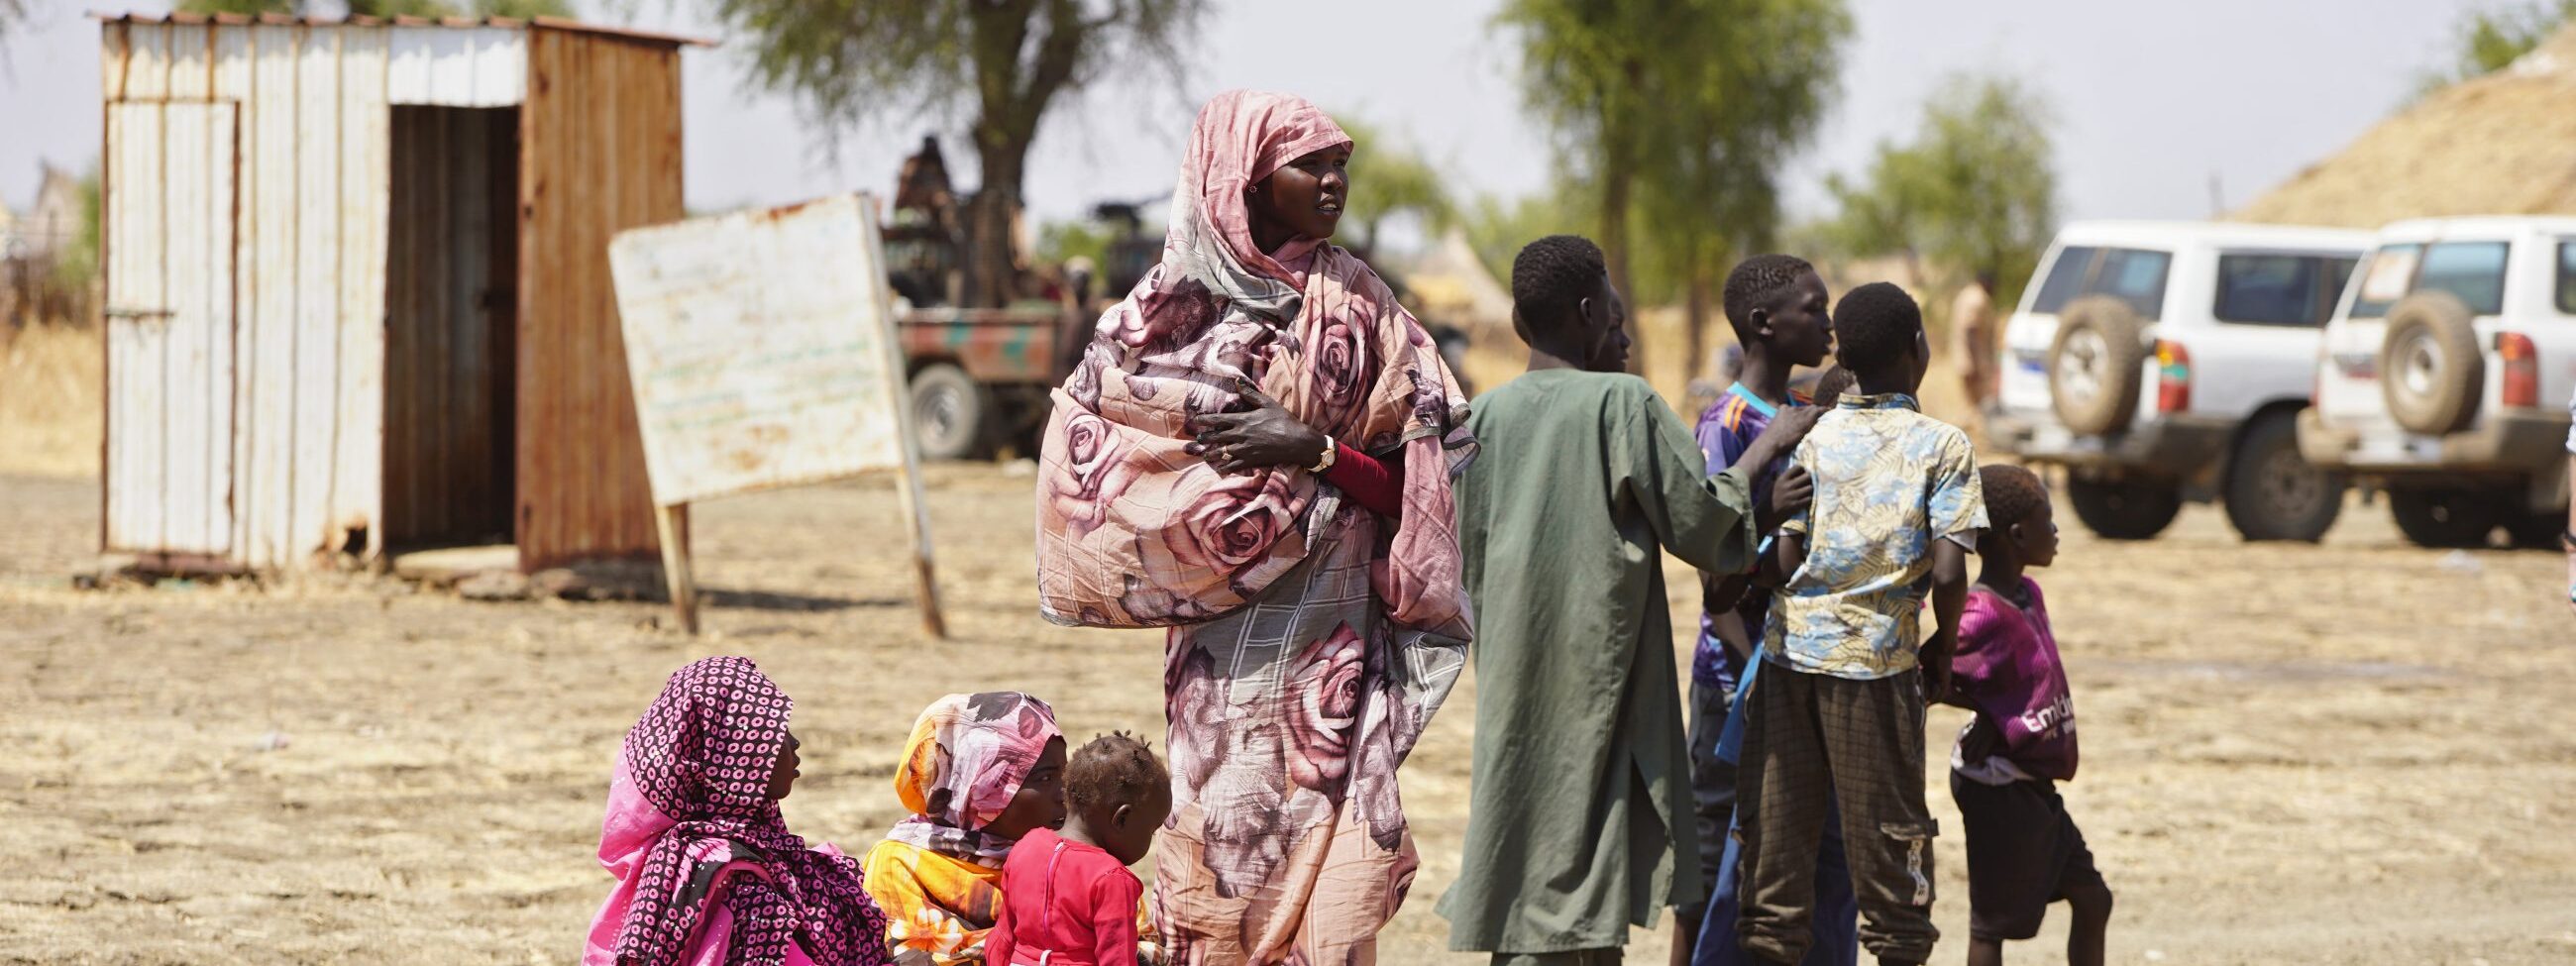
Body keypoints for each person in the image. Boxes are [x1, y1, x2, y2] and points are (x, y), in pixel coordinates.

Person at [1031, 89, 1477, 965]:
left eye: (1341, 161)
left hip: (1333, 655)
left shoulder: (1363, 308)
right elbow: (1095, 471)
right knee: (1220, 860)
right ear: (1244, 174)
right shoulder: (1153, 322)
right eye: (1310, 161)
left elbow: (1413, 493)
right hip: (1220, 671)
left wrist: (1311, 447)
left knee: (1330, 880)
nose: (1333, 179)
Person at [1440, 234, 1818, 966]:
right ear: (1588, 312)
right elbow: (1705, 524)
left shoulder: (1480, 420)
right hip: (1597, 682)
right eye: (1614, 311)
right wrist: (1769, 447)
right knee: (1584, 875)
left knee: (1529, 855)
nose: (1623, 326)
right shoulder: (1624, 402)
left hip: (1514, 675)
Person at [1737, 282, 1986, 966]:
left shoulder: (1814, 433)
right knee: (1892, 857)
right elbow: (1946, 574)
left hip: (1789, 665)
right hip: (1875, 670)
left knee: (1777, 861)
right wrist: (1944, 645)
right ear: (1917, 351)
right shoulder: (1943, 445)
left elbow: (1784, 556)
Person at [1684, 256, 1856, 966]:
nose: (1828, 322)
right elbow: (1708, 554)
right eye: (1815, 309)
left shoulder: (1802, 418)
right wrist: (1764, 505)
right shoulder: (1727, 422)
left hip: (1793, 668)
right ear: (1764, 323)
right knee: (1723, 856)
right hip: (1736, 674)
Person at [584, 656, 894, 966]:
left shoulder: (710, 854)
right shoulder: (743, 888)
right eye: (777, 732)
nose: (795, 743)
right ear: (734, 754)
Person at [1943, 465, 2110, 966]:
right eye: (2048, 520)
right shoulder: (1977, 612)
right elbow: (1928, 677)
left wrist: (1997, 712)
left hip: (2031, 780)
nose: (2056, 532)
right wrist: (1987, 714)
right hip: (1996, 784)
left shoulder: (2028, 595)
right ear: (2017, 535)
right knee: (1991, 925)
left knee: (2093, 898)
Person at [863, 693, 1070, 966]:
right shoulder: (897, 866)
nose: (1065, 792)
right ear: (979, 788)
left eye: (1066, 774)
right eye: (1045, 778)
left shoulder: (1067, 860)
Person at [987, 733, 1175, 966]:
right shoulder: (1111, 879)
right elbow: (1117, 960)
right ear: (1122, 818)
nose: (1151, 839)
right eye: (1152, 830)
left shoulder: (1025, 847)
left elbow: (1003, 937)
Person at [1951, 271, 1998, 414]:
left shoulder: (1965, 295)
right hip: (1973, 361)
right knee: (1978, 408)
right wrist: (1978, 364)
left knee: (1971, 407)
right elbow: (1971, 330)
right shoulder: (1977, 299)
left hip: (1964, 358)